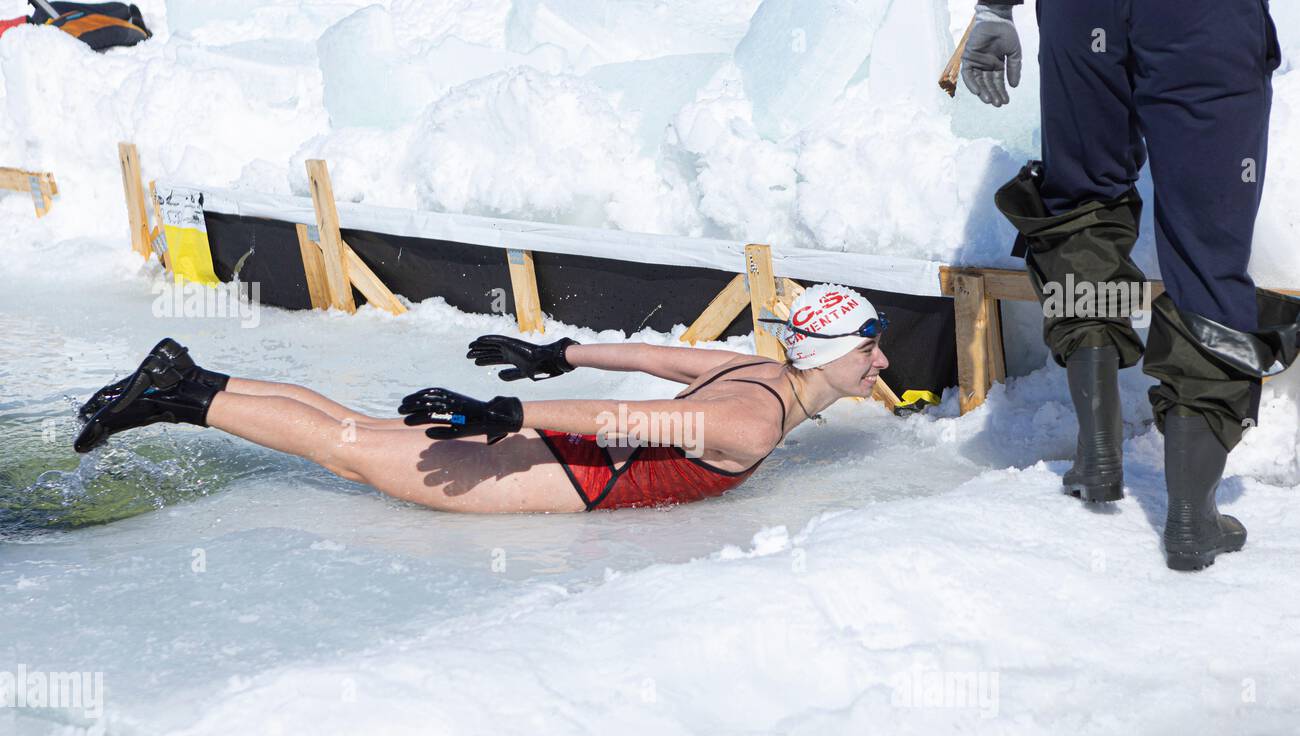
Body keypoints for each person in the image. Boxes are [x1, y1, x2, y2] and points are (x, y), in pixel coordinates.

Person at [963, 0, 1298, 571]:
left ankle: (1099, 456)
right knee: (1206, 253)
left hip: (1082, 14)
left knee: (1084, 205)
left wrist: (994, 9)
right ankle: (1192, 517)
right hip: (1201, 22)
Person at [73, 284, 890, 513]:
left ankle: (187, 382)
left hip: (566, 455)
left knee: (358, 429)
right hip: (562, 473)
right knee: (350, 452)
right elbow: (632, 416)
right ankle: (178, 396)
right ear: (828, 355)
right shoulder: (752, 418)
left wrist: (555, 353)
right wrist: (512, 412)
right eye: (869, 349)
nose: (880, 364)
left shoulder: (751, 369)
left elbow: (651, 357)